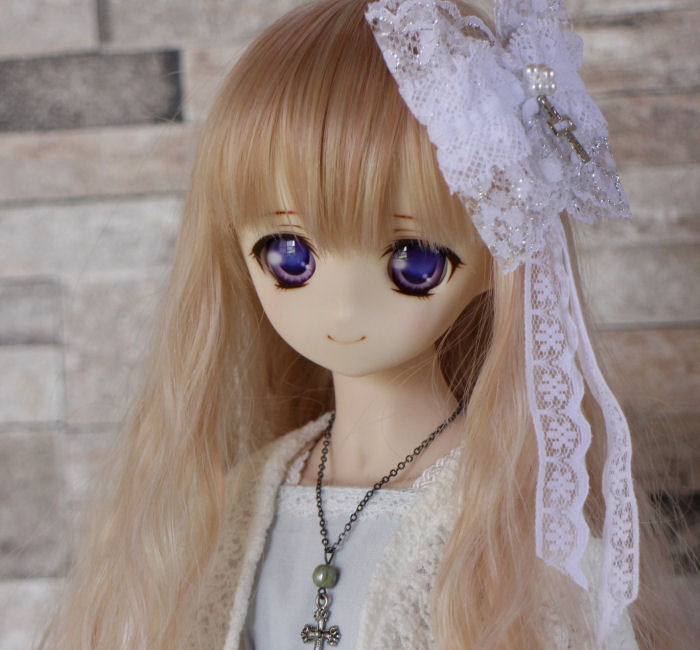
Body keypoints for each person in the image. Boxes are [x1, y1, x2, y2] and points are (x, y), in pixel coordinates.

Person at [39, 0, 696, 648]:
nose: (343, 309)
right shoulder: (236, 505)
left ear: (494, 265)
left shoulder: (518, 539)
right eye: (289, 257)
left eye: (415, 263)